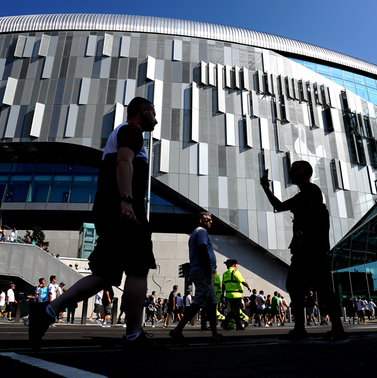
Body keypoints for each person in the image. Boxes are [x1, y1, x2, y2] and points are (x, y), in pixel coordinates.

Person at [27, 97, 165, 354]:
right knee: (137, 269)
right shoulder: (132, 130)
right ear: (143, 111)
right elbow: (123, 162)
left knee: (106, 275)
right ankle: (134, 337)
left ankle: (46, 311)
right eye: (154, 113)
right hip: (125, 213)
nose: (156, 119)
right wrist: (127, 201)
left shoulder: (122, 133)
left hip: (108, 212)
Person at [260, 160, 349, 344]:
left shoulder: (311, 190)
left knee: (316, 286)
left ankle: (331, 330)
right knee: (300, 285)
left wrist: (300, 234)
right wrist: (265, 188)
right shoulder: (302, 195)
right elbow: (279, 206)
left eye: (294, 170)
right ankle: (304, 329)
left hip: (311, 247)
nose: (291, 173)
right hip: (309, 248)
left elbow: (311, 211)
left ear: (305, 172)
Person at [169, 212, 226, 346]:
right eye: (208, 219)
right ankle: (177, 330)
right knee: (200, 300)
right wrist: (208, 269)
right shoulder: (201, 232)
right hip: (202, 271)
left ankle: (215, 335)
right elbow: (203, 248)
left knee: (212, 303)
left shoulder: (196, 233)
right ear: (201, 220)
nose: (211, 221)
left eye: (211, 220)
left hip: (203, 272)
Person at [221, 259, 251, 330]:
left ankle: (238, 325)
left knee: (236, 311)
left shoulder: (225, 273)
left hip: (228, 295)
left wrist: (223, 294)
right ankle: (225, 322)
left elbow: (223, 285)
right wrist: (248, 286)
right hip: (236, 295)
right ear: (234, 265)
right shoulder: (235, 272)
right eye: (237, 264)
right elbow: (242, 281)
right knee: (234, 311)